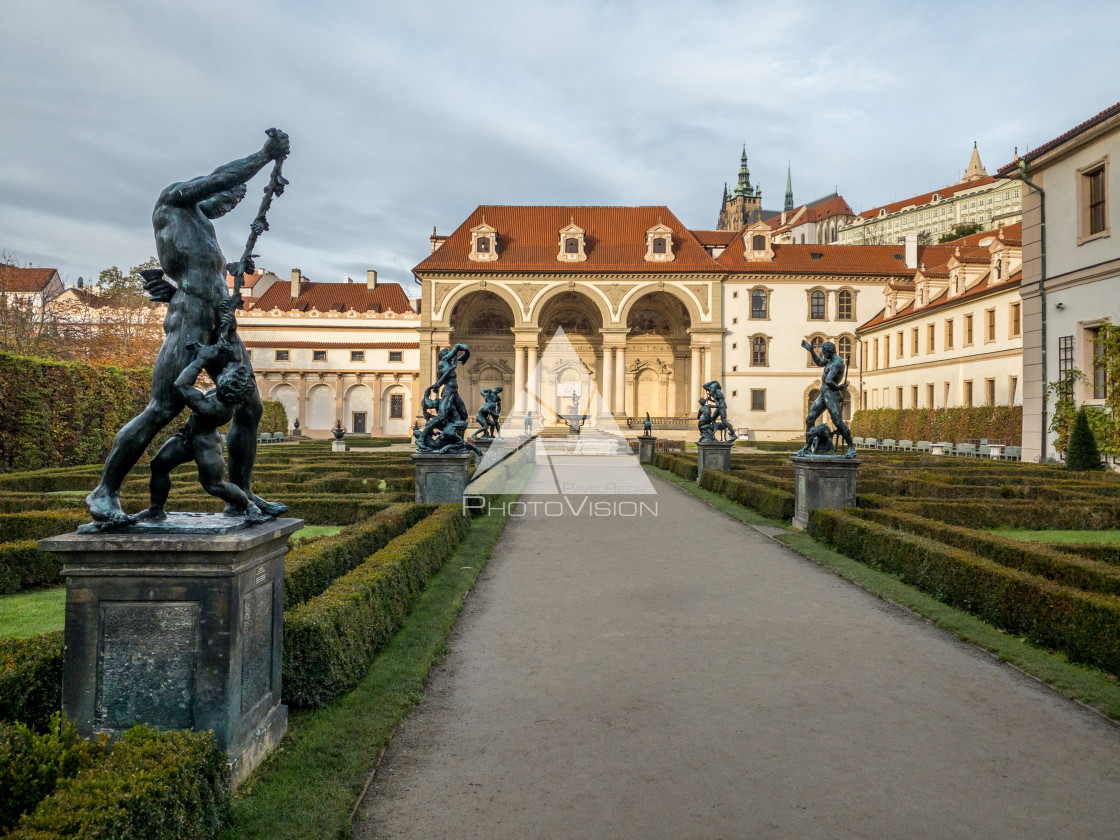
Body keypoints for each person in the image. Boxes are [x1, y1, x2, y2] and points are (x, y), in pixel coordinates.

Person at [86, 130, 290, 526]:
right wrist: (265, 157)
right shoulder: (173, 199)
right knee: (162, 408)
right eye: (228, 197)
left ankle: (240, 495)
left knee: (250, 406)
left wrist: (231, 273)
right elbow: (218, 180)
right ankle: (104, 491)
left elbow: (215, 211)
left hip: (220, 321)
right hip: (192, 320)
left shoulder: (201, 226)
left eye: (235, 202)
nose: (231, 202)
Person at [138, 342, 262, 523]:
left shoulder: (213, 407)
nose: (222, 372)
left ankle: (250, 506)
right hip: (188, 436)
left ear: (227, 385)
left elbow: (181, 384)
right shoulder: (226, 394)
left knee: (214, 485)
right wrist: (220, 344)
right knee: (159, 464)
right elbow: (235, 362)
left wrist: (202, 359)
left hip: (206, 444)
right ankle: (155, 509)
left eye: (225, 375)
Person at [799, 339, 856, 457]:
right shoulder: (830, 360)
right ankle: (807, 447)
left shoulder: (837, 363)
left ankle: (851, 447)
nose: (823, 355)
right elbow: (819, 362)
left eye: (824, 352)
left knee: (838, 422)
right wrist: (811, 351)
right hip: (824, 393)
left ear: (829, 351)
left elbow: (829, 380)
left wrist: (839, 387)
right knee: (810, 418)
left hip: (832, 395)